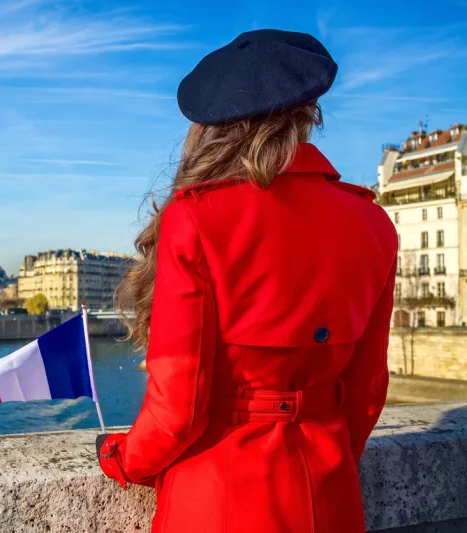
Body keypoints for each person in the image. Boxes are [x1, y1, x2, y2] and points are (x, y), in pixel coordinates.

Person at [97, 29, 397, 533]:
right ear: (306, 114)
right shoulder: (372, 222)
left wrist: (121, 458)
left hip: (220, 491)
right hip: (330, 492)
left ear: (211, 127)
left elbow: (178, 408)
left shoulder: (195, 219)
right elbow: (367, 389)